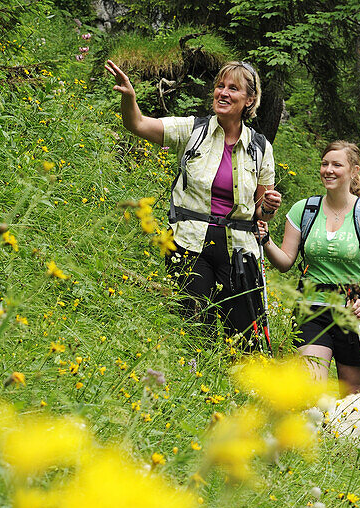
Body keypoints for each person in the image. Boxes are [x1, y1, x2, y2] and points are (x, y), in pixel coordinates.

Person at [106, 58, 282, 343]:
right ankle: (193, 379)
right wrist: (130, 98)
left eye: (233, 88)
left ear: (250, 99)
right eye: (219, 86)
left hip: (239, 249)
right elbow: (136, 124)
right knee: (196, 329)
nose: (222, 92)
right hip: (189, 242)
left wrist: (269, 206)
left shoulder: (260, 147)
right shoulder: (193, 131)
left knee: (246, 337)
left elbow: (261, 213)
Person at [259, 141, 360, 395]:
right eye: (324, 164)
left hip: (353, 310)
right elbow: (285, 261)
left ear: (353, 171)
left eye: (336, 165)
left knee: (352, 399)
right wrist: (266, 241)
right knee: (308, 391)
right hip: (312, 308)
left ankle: (344, 436)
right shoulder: (304, 210)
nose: (328, 170)